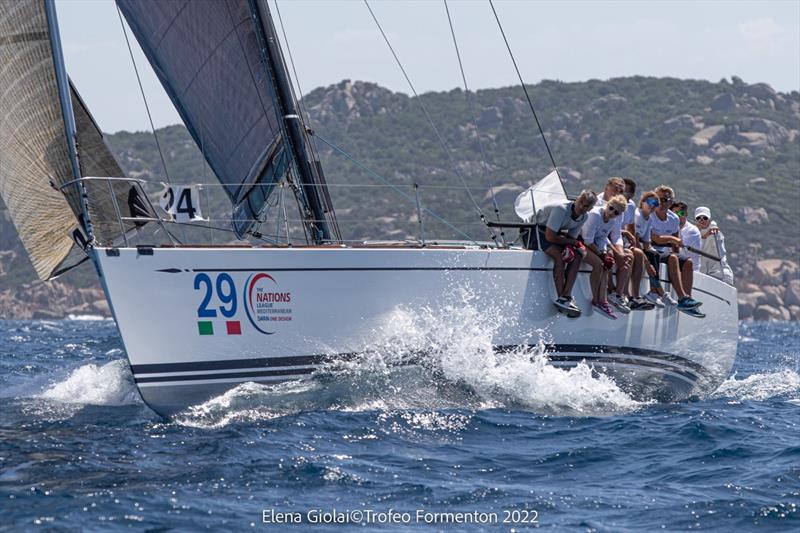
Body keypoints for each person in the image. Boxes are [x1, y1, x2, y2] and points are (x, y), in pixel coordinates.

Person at [535, 190, 597, 316]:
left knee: (577, 256)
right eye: (580, 202)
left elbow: (571, 237)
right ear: (577, 200)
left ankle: (566, 296)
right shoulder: (561, 209)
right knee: (559, 256)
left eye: (585, 206)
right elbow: (550, 237)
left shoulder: (584, 216)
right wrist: (571, 244)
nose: (581, 207)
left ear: (590, 208)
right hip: (535, 232)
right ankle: (561, 297)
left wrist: (571, 246)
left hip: (553, 233)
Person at [649, 186, 703, 315]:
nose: (662, 203)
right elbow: (654, 239)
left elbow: (676, 244)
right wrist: (672, 239)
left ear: (670, 202)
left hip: (663, 252)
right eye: (658, 199)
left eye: (666, 200)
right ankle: (682, 297)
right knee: (672, 258)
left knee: (687, 261)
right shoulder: (650, 216)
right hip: (650, 250)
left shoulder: (673, 218)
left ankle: (687, 301)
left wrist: (679, 257)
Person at [581, 194, 628, 319]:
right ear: (607, 205)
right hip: (580, 241)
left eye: (616, 212)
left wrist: (606, 253)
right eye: (611, 208)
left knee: (607, 265)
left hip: (593, 243)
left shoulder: (612, 221)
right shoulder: (595, 215)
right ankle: (596, 300)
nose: (612, 212)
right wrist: (601, 254)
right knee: (599, 264)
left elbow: (602, 237)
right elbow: (587, 240)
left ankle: (603, 301)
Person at [595, 177, 633, 312]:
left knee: (628, 256)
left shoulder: (618, 206)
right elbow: (600, 234)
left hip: (608, 239)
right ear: (606, 187)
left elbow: (616, 234)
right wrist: (616, 252)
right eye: (615, 188)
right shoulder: (597, 203)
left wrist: (621, 252)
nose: (617, 191)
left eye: (621, 190)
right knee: (611, 255)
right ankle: (609, 289)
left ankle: (618, 294)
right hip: (597, 239)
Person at [620, 178, 653, 310]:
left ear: (632, 195)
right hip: (611, 240)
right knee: (630, 255)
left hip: (622, 240)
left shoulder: (631, 205)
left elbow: (631, 226)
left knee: (638, 253)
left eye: (625, 192)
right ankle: (625, 295)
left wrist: (632, 241)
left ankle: (635, 295)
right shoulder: (610, 202)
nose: (621, 194)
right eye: (620, 190)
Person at [636, 191, 667, 308]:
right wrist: (648, 264)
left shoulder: (649, 220)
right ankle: (660, 292)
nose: (653, 205)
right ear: (643, 202)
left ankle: (654, 292)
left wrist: (652, 252)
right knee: (649, 256)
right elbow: (635, 241)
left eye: (656, 204)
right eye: (650, 202)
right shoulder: (637, 216)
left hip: (639, 246)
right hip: (631, 245)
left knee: (655, 254)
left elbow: (647, 243)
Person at [694, 206, 734, 284]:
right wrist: (704, 237)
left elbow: (720, 249)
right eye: (699, 218)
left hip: (719, 274)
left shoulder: (716, 233)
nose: (702, 220)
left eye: (705, 218)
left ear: (709, 220)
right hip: (702, 275)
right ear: (695, 221)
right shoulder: (693, 234)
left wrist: (712, 233)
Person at [671, 201, 701, 272]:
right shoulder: (669, 227)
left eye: (681, 213)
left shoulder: (692, 231)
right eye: (675, 213)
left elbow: (680, 252)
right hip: (674, 266)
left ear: (686, 215)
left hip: (690, 271)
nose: (678, 216)